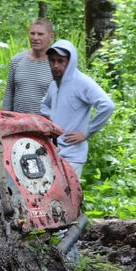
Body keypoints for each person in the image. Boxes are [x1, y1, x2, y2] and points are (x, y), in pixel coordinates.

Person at [39, 39, 114, 180]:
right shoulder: (54, 84)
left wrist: (86, 133)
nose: (56, 65)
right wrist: (52, 118)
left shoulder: (81, 82)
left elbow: (107, 105)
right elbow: (44, 104)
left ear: (70, 61)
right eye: (52, 60)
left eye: (61, 61)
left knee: (68, 199)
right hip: (52, 152)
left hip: (72, 156)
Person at [2, 18, 54, 113]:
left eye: (40, 34)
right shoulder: (17, 60)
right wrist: (4, 117)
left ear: (51, 37)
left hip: (46, 125)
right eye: (32, 33)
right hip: (19, 123)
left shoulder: (56, 64)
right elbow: (9, 94)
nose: (35, 38)